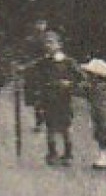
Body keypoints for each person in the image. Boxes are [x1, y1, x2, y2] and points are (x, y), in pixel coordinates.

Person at [25, 30, 81, 165]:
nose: (48, 45)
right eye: (46, 43)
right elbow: (31, 70)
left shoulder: (68, 62)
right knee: (50, 126)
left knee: (65, 127)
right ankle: (52, 153)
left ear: (59, 44)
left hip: (63, 98)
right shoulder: (43, 62)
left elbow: (79, 78)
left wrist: (70, 84)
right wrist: (21, 70)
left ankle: (68, 154)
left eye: (51, 42)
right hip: (48, 98)